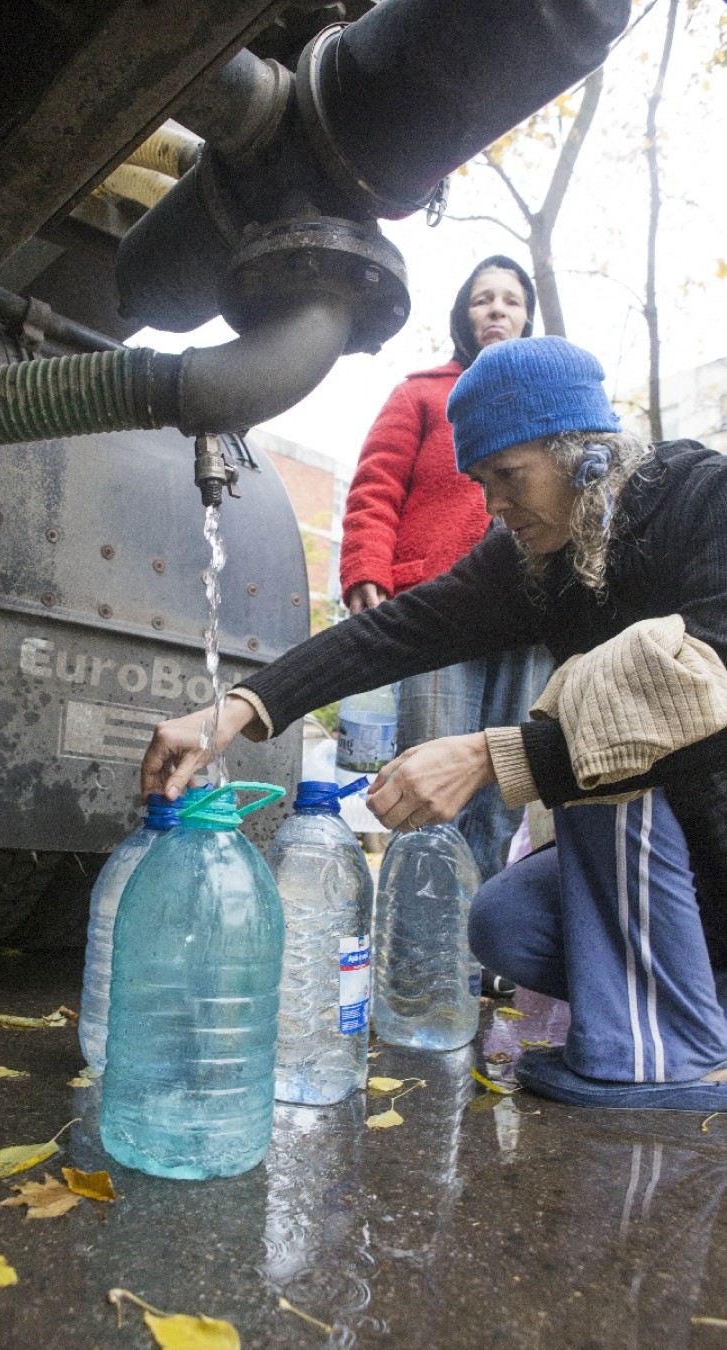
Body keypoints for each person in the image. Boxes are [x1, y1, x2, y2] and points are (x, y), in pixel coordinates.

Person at [142, 335, 727, 1112]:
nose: (496, 506)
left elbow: (707, 684)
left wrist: (496, 754)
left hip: (708, 827)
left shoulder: (704, 500)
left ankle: (668, 1058)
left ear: (585, 453)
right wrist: (238, 709)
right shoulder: (542, 554)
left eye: (510, 476)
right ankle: (699, 1000)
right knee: (508, 924)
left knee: (615, 707)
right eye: (482, 482)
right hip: (671, 859)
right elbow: (401, 629)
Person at [339, 255, 554, 891]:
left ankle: (479, 954)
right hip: (438, 609)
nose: (497, 309)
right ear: (464, 315)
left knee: (505, 787)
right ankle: (419, 957)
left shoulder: (544, 409)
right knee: (432, 779)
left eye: (511, 300)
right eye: (483, 299)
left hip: (529, 619)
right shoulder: (421, 393)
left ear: (526, 317)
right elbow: (375, 485)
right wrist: (365, 567)